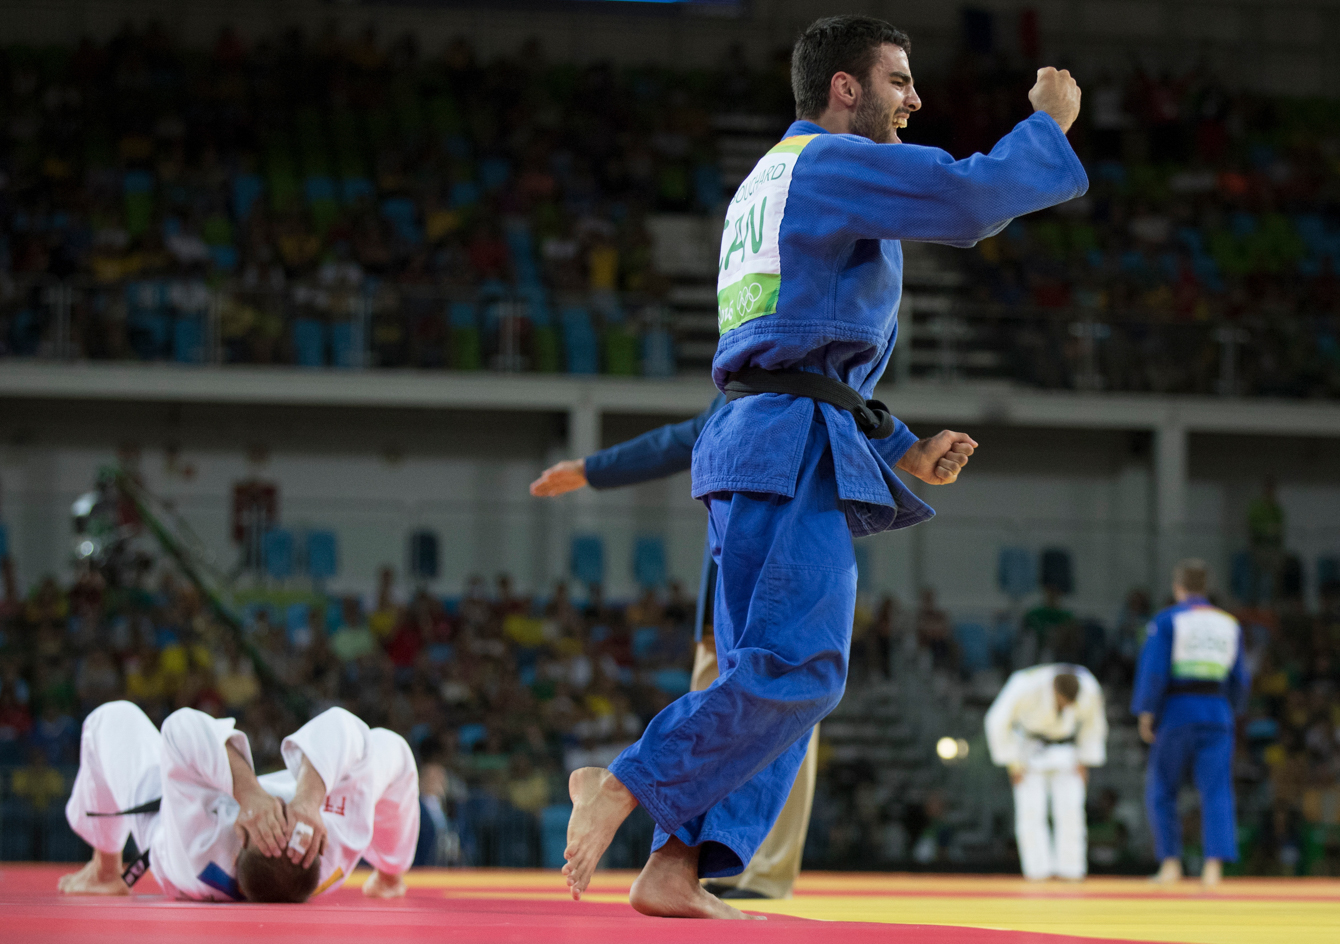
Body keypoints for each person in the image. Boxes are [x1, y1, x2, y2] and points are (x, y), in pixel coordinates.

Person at [560, 15, 1086, 919]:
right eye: (898, 80)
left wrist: (900, 445)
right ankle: (626, 781)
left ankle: (676, 867)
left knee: (762, 671)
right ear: (845, 88)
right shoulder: (827, 161)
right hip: (783, 443)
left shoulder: (764, 180)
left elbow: (797, 350)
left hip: (764, 435)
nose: (915, 99)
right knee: (803, 667)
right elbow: (969, 200)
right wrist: (1046, 125)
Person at [532, 395, 818, 900]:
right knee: (735, 721)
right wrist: (592, 469)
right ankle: (693, 865)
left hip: (757, 595)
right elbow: (678, 442)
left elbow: (679, 441)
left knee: (775, 716)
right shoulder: (752, 387)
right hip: (744, 600)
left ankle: (744, 870)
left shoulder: (780, 382)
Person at [58, 701, 418, 902]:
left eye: (268, 823)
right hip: (283, 797)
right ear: (318, 845)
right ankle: (390, 876)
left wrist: (248, 798)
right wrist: (308, 801)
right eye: (284, 817)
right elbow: (345, 725)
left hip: (170, 828)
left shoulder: (200, 843)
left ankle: (105, 871)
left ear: (238, 844)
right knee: (391, 749)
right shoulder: (339, 839)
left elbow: (182, 727)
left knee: (113, 717)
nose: (278, 817)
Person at [1132, 559, 1249, 886]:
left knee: (1163, 788)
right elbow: (1241, 677)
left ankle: (1171, 864)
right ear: (1206, 588)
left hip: (1178, 711)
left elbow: (1154, 670)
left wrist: (1146, 711)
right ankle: (1214, 868)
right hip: (1217, 711)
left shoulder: (1169, 620)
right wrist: (1233, 710)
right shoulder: (1229, 623)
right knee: (1217, 790)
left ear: (1178, 587)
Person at [985, 664, 1108, 881]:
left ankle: (1071, 870)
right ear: (1053, 689)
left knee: (1072, 810)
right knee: (1031, 812)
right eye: (1063, 700)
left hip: (1067, 751)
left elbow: (1094, 723)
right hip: (1029, 751)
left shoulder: (1088, 687)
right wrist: (1012, 762)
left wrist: (1085, 759)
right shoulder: (1025, 684)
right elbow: (996, 720)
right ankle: (1037, 871)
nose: (1067, 705)